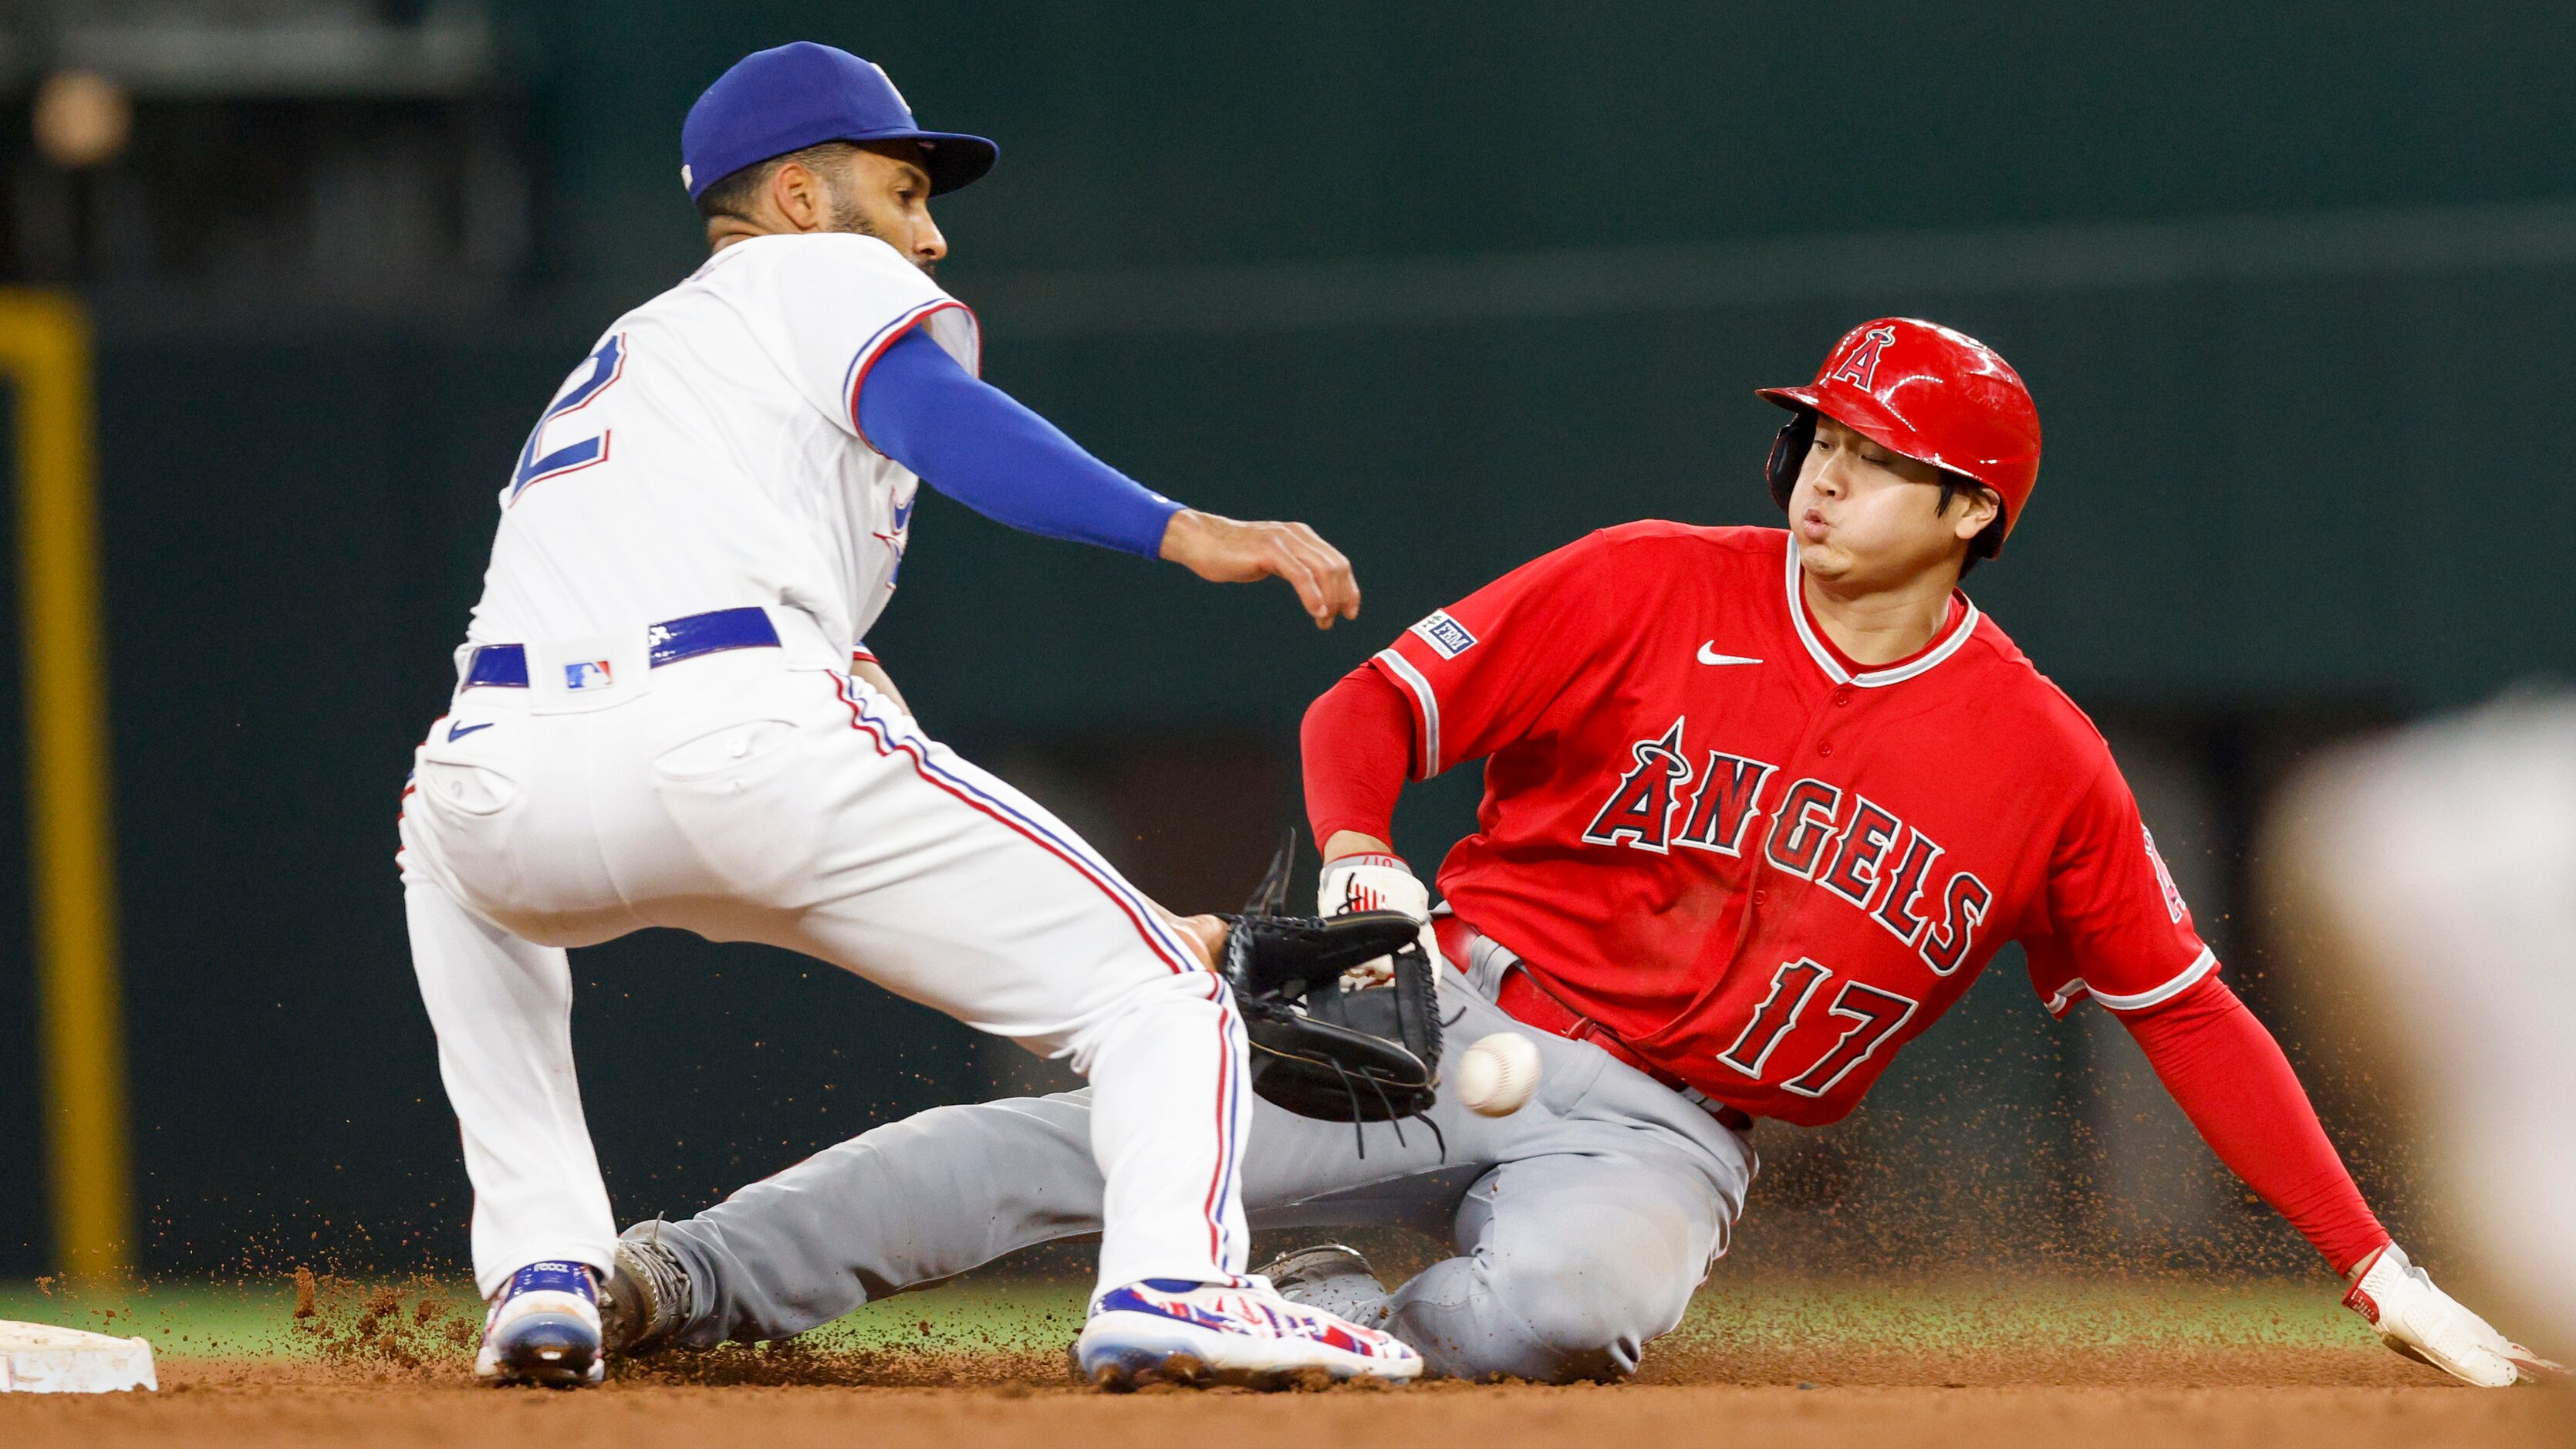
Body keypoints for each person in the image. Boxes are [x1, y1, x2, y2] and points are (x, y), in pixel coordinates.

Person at [592, 317, 2549, 1387]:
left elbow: (2188, 1016)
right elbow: (1362, 712)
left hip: (1671, 1131)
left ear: (1970, 508)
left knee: (1559, 1318)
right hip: (1439, 997)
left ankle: (1327, 1319)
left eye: (1870, 457)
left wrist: (2368, 1259)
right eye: (1814, 439)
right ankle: (671, 1280)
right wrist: (1355, 844)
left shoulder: (2038, 760)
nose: (1819, 475)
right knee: (1081, 1139)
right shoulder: (1641, 583)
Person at [397, 42, 1417, 1390]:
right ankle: (1178, 1278)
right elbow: (945, 416)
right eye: (904, 190)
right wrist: (1182, 530)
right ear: (803, 201)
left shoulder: (632, 354)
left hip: (500, 777)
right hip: (739, 745)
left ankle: (542, 1269)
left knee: (446, 857)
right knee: (1158, 989)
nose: (930, 235)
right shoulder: (814, 274)